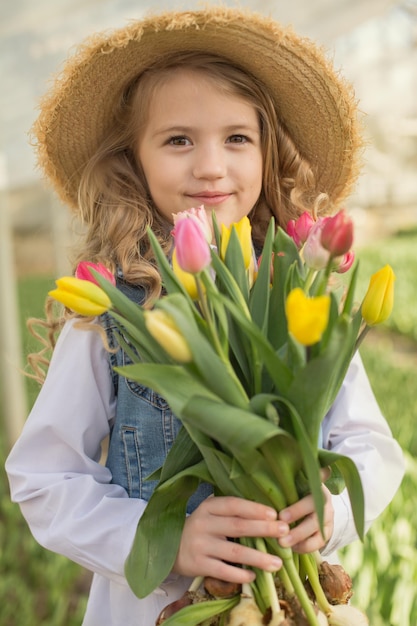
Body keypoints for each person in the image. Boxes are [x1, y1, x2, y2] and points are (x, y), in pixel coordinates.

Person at [6, 7, 404, 626]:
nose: (211, 166)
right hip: (158, 608)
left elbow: (371, 448)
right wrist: (165, 541)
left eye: (237, 138)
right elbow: (43, 477)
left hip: (292, 603)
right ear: (133, 160)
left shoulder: (302, 300)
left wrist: (333, 513)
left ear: (269, 154)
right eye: (178, 140)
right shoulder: (114, 312)